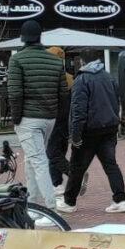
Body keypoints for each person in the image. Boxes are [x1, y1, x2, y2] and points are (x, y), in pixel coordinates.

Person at [55, 54, 125, 215]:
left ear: (82, 61)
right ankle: (120, 200)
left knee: (77, 167)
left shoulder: (82, 80)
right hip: (109, 128)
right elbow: (116, 102)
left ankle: (69, 201)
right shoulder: (108, 77)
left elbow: (78, 110)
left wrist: (75, 136)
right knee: (111, 165)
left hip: (89, 131)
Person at [7, 20, 67, 208]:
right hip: (49, 118)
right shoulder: (56, 61)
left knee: (38, 161)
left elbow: (15, 93)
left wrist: (16, 118)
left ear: (23, 38)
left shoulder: (17, 59)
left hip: (28, 118)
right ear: (40, 37)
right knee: (32, 160)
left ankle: (50, 208)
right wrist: (56, 115)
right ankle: (31, 204)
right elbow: (63, 93)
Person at [46, 47, 83, 197]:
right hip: (67, 120)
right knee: (59, 151)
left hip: (54, 119)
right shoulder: (71, 78)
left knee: (52, 153)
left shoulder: (52, 77)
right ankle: (57, 183)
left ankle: (72, 175)